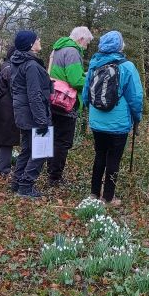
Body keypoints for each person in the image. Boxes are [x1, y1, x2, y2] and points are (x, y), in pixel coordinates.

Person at [82, 31, 143, 206]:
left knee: (99, 154)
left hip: (97, 120)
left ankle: (94, 193)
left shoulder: (95, 63)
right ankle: (108, 197)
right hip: (118, 123)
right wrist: (136, 117)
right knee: (113, 159)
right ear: (119, 46)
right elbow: (136, 97)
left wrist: (89, 109)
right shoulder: (127, 66)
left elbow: (86, 91)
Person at [47, 26, 94, 187]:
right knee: (62, 141)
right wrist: (89, 80)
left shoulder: (58, 48)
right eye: (87, 43)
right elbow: (75, 81)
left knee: (50, 136)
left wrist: (82, 74)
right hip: (65, 102)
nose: (86, 46)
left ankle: (48, 170)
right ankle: (55, 177)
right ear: (81, 39)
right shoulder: (73, 52)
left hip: (52, 98)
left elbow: (61, 74)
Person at [10, 30, 53, 198]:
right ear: (30, 44)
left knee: (27, 150)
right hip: (34, 114)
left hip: (23, 113)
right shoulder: (32, 65)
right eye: (37, 39)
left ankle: (17, 182)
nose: (39, 40)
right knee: (41, 150)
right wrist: (42, 120)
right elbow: (34, 95)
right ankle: (26, 186)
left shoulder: (18, 62)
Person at [0, 44, 20, 176]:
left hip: (1, 106)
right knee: (7, 139)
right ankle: (3, 169)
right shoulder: (11, 69)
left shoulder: (4, 66)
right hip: (8, 108)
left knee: (1, 137)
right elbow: (14, 89)